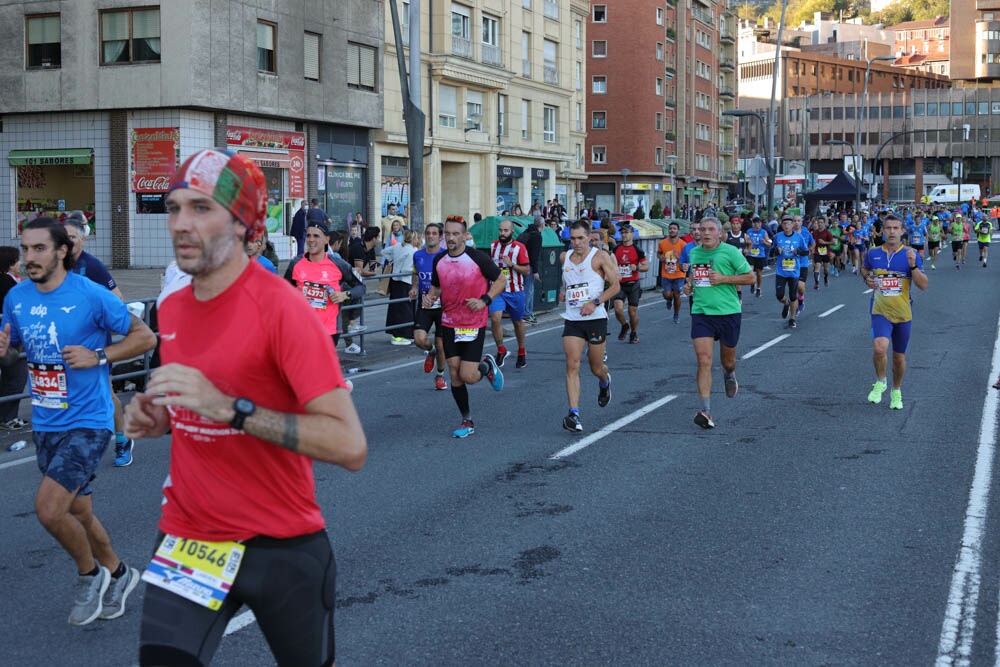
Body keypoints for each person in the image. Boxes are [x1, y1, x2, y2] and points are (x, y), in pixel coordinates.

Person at [125, 148, 367, 667]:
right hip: (190, 538)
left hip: (282, 544)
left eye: (201, 208)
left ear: (241, 224)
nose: (181, 224)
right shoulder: (172, 305)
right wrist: (159, 416)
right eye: (173, 208)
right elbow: (191, 407)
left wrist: (230, 408)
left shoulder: (283, 310)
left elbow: (349, 446)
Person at [0, 217, 156, 626]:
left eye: (38, 249)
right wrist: (4, 351)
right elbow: (16, 351)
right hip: (46, 420)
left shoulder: (90, 295)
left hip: (89, 420)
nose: (28, 258)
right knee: (80, 513)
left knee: (50, 510)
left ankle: (90, 577)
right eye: (25, 249)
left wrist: (100, 356)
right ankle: (120, 574)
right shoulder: (16, 298)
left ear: (62, 251)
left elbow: (146, 338)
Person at [422, 216, 507, 438]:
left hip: (472, 322)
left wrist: (484, 301)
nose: (450, 238)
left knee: (468, 375)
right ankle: (466, 420)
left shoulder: (478, 258)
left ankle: (485, 367)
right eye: (447, 234)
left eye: (455, 234)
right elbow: (436, 287)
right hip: (449, 322)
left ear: (464, 235)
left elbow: (501, 280)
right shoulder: (439, 259)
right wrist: (430, 298)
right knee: (454, 374)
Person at [62, 212, 135, 467]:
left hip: (94, 344)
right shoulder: (56, 266)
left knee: (105, 391)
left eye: (73, 237)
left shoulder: (91, 265)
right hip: (64, 344)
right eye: (64, 237)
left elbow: (118, 300)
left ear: (83, 239)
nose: (68, 242)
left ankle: (123, 439)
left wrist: (90, 314)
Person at [682, 217, 755, 429]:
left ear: (719, 233)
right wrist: (689, 288)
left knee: (727, 361)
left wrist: (724, 278)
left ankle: (729, 373)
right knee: (704, 360)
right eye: (702, 229)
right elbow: (693, 280)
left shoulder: (730, 252)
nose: (705, 233)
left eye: (710, 229)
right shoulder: (694, 253)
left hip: (728, 312)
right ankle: (706, 411)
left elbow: (750, 278)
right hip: (702, 312)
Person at [860, 213, 928, 410]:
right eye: (888, 228)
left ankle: (896, 390)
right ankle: (881, 381)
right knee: (879, 348)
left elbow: (923, 285)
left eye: (895, 228)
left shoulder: (910, 254)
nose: (891, 232)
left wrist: (913, 265)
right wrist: (868, 279)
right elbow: (865, 269)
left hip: (903, 313)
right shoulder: (873, 253)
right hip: (880, 310)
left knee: (899, 358)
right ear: (882, 230)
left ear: (902, 231)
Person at [559, 220, 619, 433]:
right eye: (573, 239)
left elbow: (615, 286)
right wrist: (564, 292)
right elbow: (568, 280)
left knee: (595, 368)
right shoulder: (564, 257)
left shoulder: (599, 257)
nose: (577, 243)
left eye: (581, 238)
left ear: (589, 238)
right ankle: (573, 414)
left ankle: (604, 381)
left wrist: (594, 303)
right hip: (573, 319)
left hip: (595, 319)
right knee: (572, 365)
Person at [292, 221, 350, 345]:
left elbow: (360, 287)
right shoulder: (296, 264)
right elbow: (284, 291)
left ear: (326, 239)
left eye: (316, 236)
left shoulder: (338, 264)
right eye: (308, 236)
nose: (311, 240)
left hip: (329, 330)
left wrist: (344, 295)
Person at [410, 223, 448, 390]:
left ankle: (440, 376)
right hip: (424, 305)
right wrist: (413, 287)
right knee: (419, 339)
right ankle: (430, 351)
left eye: (434, 233)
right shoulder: (418, 255)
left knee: (442, 345)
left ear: (440, 237)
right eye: (428, 233)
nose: (431, 236)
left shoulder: (446, 256)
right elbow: (416, 274)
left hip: (443, 306)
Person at [0, 246, 28, 431]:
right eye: (18, 260)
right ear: (10, 264)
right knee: (16, 376)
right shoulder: (8, 283)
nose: (21, 263)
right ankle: (8, 417)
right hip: (9, 338)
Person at [612, 224, 648, 343]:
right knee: (617, 308)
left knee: (632, 312)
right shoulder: (616, 249)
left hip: (633, 284)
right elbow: (611, 263)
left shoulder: (638, 250)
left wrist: (636, 267)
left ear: (632, 234)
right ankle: (624, 325)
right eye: (622, 233)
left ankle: (634, 332)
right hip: (620, 284)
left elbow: (646, 266)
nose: (624, 235)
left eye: (626, 232)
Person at [772, 215, 810, 329]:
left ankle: (792, 319)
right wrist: (776, 250)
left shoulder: (798, 237)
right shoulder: (778, 237)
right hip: (781, 271)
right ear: (782, 225)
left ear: (792, 225)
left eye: (789, 223)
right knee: (779, 295)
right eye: (784, 224)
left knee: (793, 296)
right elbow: (773, 250)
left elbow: (806, 252)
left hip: (794, 272)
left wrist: (798, 251)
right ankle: (786, 303)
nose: (787, 226)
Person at [382, 229, 419, 344]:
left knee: (396, 307)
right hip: (407, 281)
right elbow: (410, 268)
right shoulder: (413, 251)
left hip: (395, 280)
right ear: (413, 239)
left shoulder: (397, 246)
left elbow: (384, 252)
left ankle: (397, 333)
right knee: (406, 308)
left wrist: (392, 261)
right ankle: (404, 334)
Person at [657, 221, 688, 324]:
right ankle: (668, 299)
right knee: (667, 294)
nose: (672, 230)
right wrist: (661, 257)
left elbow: (686, 259)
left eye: (674, 229)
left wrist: (678, 257)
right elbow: (659, 253)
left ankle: (676, 314)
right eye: (670, 228)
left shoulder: (683, 244)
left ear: (678, 231)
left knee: (677, 294)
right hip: (666, 273)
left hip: (679, 273)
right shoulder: (662, 243)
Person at [519, 216, 544, 324]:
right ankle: (527, 314)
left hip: (520, 264)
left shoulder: (526, 232)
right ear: (542, 225)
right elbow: (534, 255)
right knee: (529, 289)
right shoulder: (537, 236)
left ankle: (525, 312)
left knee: (524, 288)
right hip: (528, 265)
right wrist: (535, 271)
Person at [744, 216, 772, 298]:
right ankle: (752, 283)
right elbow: (745, 241)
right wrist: (746, 248)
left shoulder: (763, 232)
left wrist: (764, 242)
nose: (757, 224)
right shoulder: (749, 231)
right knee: (750, 270)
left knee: (759, 273)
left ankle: (759, 288)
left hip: (760, 255)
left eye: (759, 223)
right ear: (753, 224)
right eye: (755, 223)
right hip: (750, 254)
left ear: (760, 224)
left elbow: (769, 244)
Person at [811, 217, 834, 290]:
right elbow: (812, 242)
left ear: (824, 223)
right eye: (819, 222)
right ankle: (816, 283)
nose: (820, 224)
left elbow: (833, 242)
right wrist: (811, 249)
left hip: (825, 252)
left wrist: (825, 242)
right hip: (817, 252)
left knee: (826, 269)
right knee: (817, 267)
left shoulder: (827, 232)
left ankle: (825, 278)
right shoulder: (815, 233)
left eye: (821, 222)